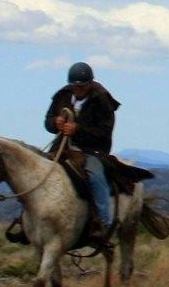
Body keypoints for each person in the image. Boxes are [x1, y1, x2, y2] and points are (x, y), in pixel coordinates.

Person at [46, 61, 119, 241]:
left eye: (81, 86)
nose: (77, 90)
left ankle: (103, 222)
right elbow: (48, 121)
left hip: (92, 151)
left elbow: (104, 132)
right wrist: (55, 123)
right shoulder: (62, 96)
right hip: (62, 147)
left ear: (89, 84)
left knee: (96, 177)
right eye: (74, 86)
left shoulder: (102, 99)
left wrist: (77, 130)